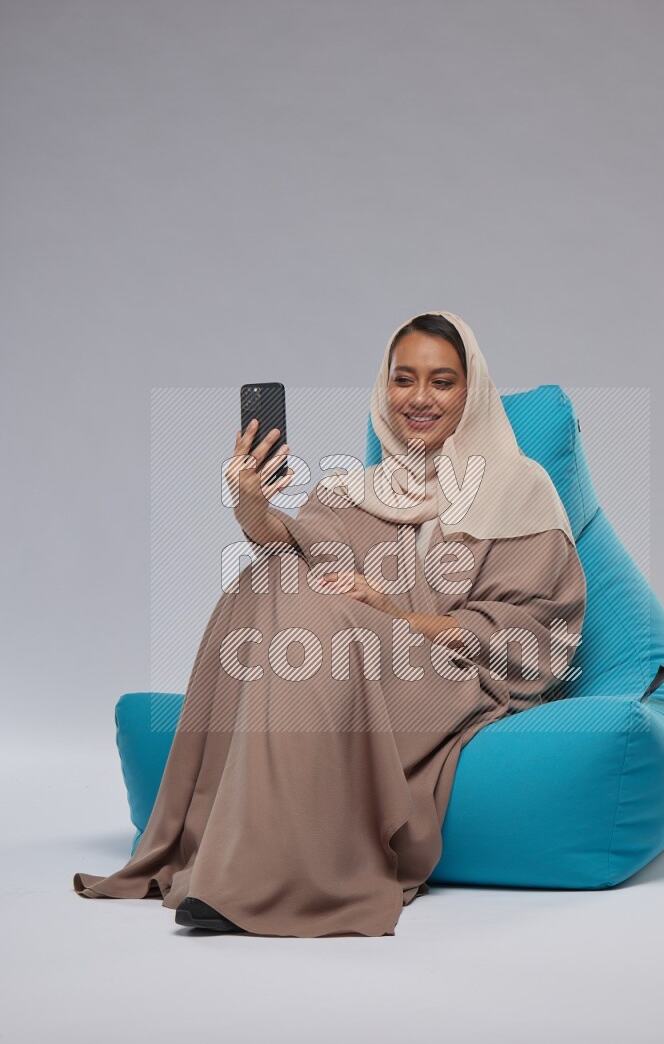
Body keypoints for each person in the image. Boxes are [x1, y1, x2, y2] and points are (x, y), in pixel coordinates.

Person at [73, 310, 587, 937]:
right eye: (404, 379)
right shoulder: (355, 490)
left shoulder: (517, 487)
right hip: (352, 659)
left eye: (442, 382)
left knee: (311, 614)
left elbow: (534, 634)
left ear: (471, 391)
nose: (419, 399)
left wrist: (392, 615)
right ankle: (238, 858)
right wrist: (253, 504)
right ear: (383, 388)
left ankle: (265, 874)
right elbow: (290, 544)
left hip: (449, 671)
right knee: (266, 580)